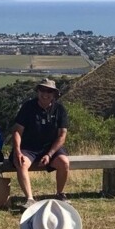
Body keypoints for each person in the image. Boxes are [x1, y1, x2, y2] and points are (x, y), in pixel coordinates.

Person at [11, 79, 71, 208]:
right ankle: (30, 199)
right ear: (37, 91)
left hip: (51, 148)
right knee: (21, 163)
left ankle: (60, 194)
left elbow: (62, 136)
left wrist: (49, 154)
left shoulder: (60, 109)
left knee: (64, 162)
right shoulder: (28, 107)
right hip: (28, 147)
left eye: (49, 91)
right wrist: (18, 151)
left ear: (54, 94)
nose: (45, 94)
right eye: (42, 90)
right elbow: (17, 131)